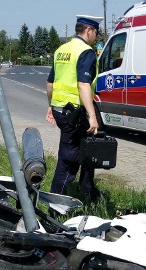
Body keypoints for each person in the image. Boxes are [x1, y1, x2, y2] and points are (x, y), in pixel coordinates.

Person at [46, 15, 102, 201]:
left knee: (89, 146)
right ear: (89, 31)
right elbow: (83, 85)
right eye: (96, 33)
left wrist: (50, 106)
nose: (97, 37)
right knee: (69, 159)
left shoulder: (61, 50)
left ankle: (87, 189)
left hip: (60, 109)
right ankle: (56, 203)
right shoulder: (85, 52)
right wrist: (92, 116)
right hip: (74, 113)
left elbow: (50, 84)